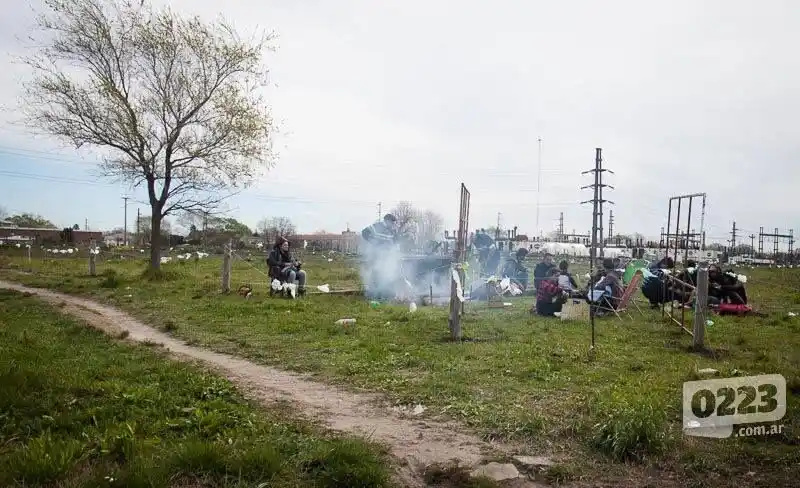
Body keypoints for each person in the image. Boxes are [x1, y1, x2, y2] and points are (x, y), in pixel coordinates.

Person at [361, 214, 399, 299]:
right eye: (392, 223)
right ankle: (375, 292)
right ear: (387, 221)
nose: (393, 225)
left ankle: (385, 292)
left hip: (387, 256)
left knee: (387, 273)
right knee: (376, 272)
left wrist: (396, 251)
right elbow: (364, 232)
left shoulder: (392, 230)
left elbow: (396, 242)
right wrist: (372, 241)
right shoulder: (376, 226)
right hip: (377, 255)